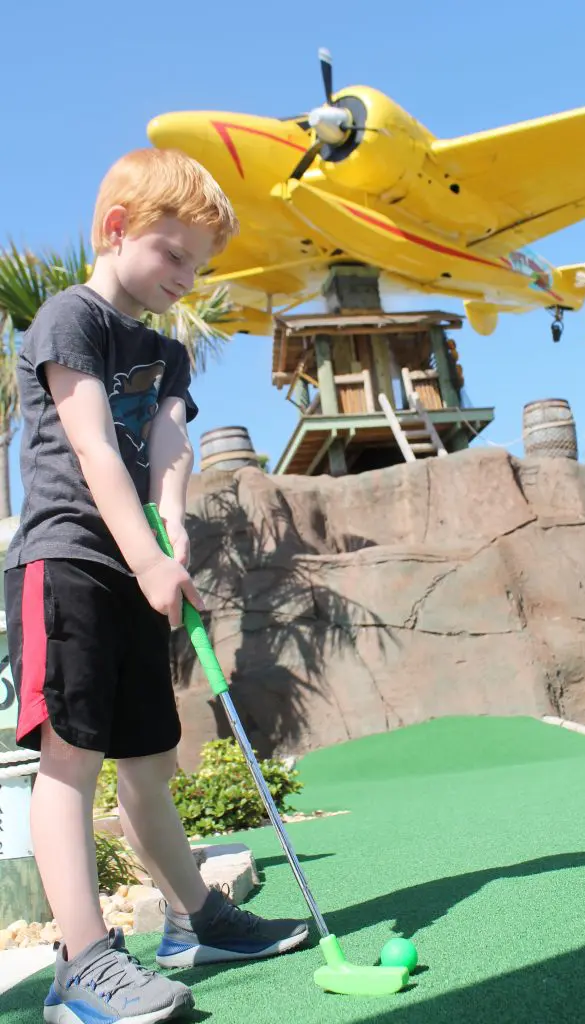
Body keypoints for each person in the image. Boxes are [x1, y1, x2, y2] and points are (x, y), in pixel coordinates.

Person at [4, 147, 308, 1023]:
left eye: (198, 266)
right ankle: (81, 962)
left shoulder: (168, 352)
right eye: (172, 255)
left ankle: (195, 920)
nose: (185, 277)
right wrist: (142, 558)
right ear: (116, 231)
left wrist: (172, 526)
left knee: (145, 762)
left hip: (139, 565)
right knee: (70, 762)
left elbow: (166, 445)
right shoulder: (71, 319)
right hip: (69, 559)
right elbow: (96, 445)